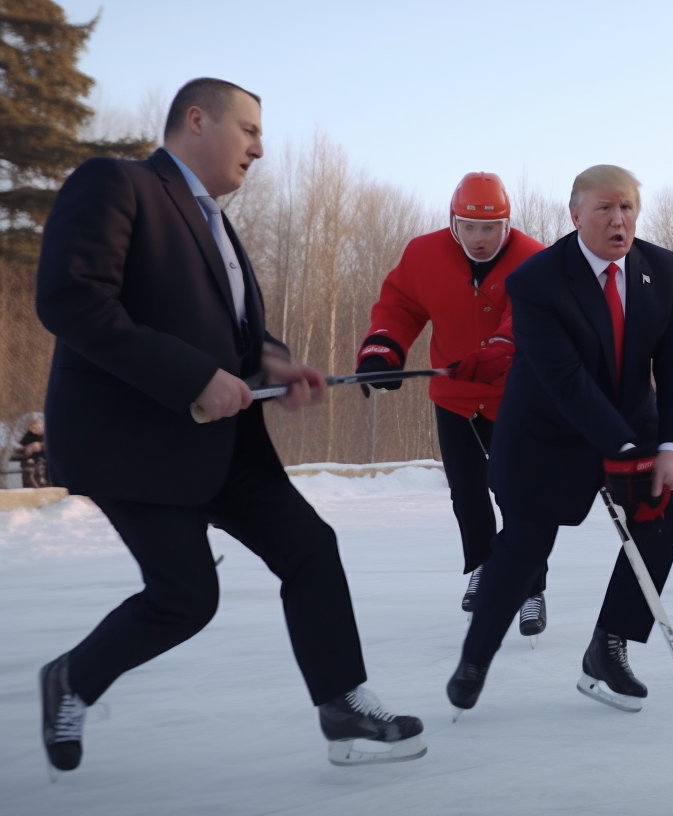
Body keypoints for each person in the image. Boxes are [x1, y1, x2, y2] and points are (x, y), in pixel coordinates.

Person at [33, 78, 425, 773]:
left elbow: (231, 336)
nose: (261, 149)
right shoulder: (117, 184)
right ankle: (72, 679)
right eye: (248, 130)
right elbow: (72, 301)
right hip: (137, 442)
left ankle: (341, 699)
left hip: (226, 444)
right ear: (195, 120)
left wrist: (277, 361)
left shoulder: (214, 222)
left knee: (310, 547)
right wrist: (193, 378)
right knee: (186, 598)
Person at [446, 165, 673, 715]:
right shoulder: (536, 281)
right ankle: (476, 656)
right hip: (547, 433)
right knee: (525, 547)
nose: (618, 220)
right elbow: (564, 379)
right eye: (604, 208)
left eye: (627, 207)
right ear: (575, 214)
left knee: (664, 522)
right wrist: (623, 449)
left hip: (632, 424)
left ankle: (609, 646)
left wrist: (671, 447)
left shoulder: (663, 269)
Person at [355, 172, 549, 635]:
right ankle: (482, 565)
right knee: (467, 491)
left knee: (517, 494)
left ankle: (531, 587)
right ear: (453, 222)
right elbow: (400, 306)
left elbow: (525, 318)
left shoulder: (534, 259)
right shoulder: (424, 254)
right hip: (455, 397)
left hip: (514, 397)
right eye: (469, 227)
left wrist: (500, 351)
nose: (480, 239)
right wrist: (382, 349)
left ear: (508, 225)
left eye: (491, 228)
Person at [19, 414, 50, 489]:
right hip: (34, 462)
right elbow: (22, 447)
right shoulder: (28, 437)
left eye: (41, 426)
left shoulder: (46, 436)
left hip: (44, 463)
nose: (39, 428)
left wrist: (42, 445)